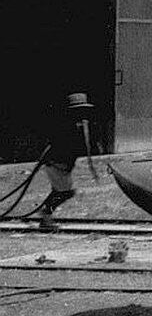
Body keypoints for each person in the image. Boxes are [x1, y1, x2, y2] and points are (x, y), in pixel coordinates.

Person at [37, 93, 94, 230]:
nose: (82, 113)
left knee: (60, 192)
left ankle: (46, 217)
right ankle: (46, 213)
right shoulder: (66, 125)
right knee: (64, 193)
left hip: (64, 165)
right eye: (79, 110)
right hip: (55, 164)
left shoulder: (77, 125)